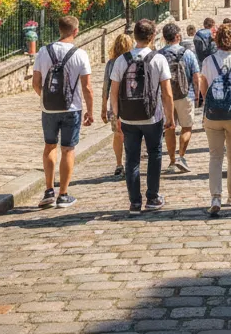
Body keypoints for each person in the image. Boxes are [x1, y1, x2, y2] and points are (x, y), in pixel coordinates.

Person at [109, 19, 175, 213]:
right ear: (153, 36)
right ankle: (152, 197)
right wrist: (170, 117)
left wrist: (117, 115)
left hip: (128, 117)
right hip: (152, 116)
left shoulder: (122, 60)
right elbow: (167, 93)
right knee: (154, 155)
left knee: (132, 159)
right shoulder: (158, 59)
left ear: (134, 36)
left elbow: (114, 91)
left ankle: (135, 202)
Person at [33, 15, 94, 208]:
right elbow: (87, 88)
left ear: (59, 29)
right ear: (75, 31)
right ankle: (63, 194)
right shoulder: (80, 54)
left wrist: (46, 99)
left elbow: (36, 83)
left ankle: (49, 190)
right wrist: (90, 111)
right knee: (68, 149)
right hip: (72, 108)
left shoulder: (43, 51)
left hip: (48, 109)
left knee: (49, 146)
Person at [198, 23, 231, 215]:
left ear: (216, 40)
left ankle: (215, 197)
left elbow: (203, 87)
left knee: (215, 156)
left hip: (213, 115)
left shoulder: (207, 61)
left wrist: (210, 103)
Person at [159, 22, 199, 173]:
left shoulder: (159, 55)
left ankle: (171, 161)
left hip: (165, 97)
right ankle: (181, 156)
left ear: (164, 38)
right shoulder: (188, 53)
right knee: (187, 127)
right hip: (185, 94)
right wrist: (197, 95)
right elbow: (196, 76)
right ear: (177, 36)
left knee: (169, 127)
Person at [101, 32, 133, 177]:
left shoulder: (111, 63)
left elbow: (106, 87)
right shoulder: (133, 61)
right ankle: (131, 162)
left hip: (115, 105)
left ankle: (119, 163)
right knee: (132, 134)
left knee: (117, 134)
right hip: (131, 103)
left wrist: (103, 107)